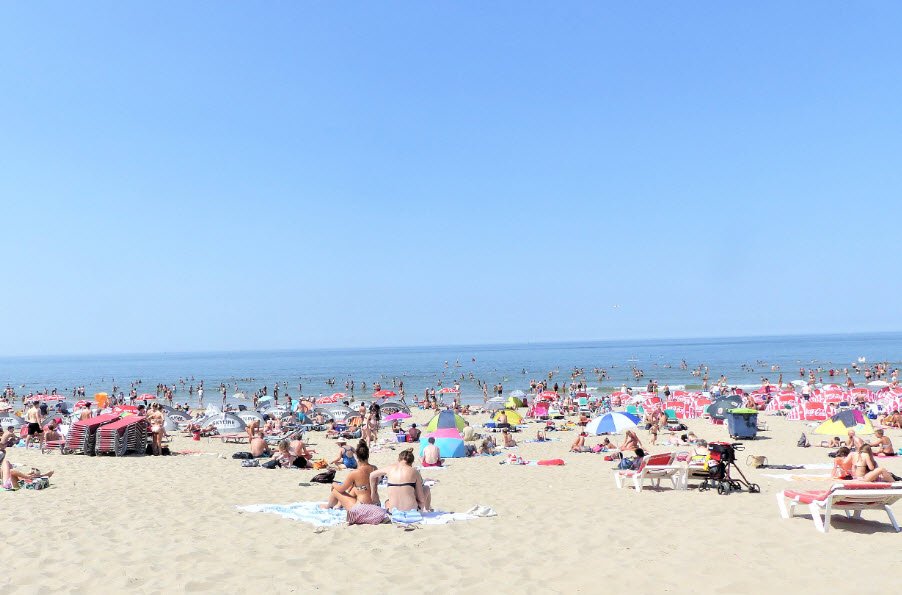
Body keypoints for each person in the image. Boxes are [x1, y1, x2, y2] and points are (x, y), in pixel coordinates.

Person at [320, 440, 384, 524]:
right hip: (376, 504)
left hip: (362, 506)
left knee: (335, 489)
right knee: (356, 488)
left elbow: (342, 489)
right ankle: (337, 505)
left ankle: (329, 506)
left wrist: (333, 484)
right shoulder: (374, 468)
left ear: (357, 457)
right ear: (368, 455)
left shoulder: (354, 473)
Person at [369, 448, 432, 512]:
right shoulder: (415, 472)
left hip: (393, 511)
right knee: (426, 488)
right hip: (412, 511)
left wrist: (373, 493)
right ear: (411, 462)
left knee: (387, 502)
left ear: (399, 459)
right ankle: (428, 509)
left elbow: (372, 475)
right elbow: (421, 499)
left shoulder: (390, 468)